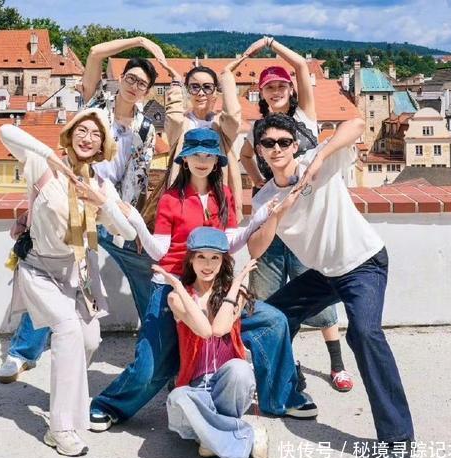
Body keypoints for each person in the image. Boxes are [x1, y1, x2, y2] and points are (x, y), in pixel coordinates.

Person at [89, 127, 316, 432]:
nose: (202, 160)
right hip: (173, 289)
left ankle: (281, 398)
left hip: (215, 288)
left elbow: (230, 244)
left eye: (209, 155)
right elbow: (158, 250)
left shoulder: (225, 197)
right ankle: (108, 405)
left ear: (216, 161)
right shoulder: (171, 199)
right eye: (195, 154)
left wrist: (261, 218)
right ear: (184, 159)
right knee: (151, 366)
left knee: (272, 322)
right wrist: (137, 222)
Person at [248, 113, 414, 458]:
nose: (277, 149)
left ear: (295, 145)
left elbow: (356, 123)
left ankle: (398, 441)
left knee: (365, 334)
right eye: (268, 143)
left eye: (284, 142)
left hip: (363, 263)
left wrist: (320, 157)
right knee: (269, 317)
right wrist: (278, 213)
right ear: (259, 150)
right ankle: (284, 391)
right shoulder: (265, 199)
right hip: (325, 273)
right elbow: (255, 248)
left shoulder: (316, 162)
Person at [0, 38, 165, 383]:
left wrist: (127, 216)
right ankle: (23, 353)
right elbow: (94, 53)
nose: (134, 86)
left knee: (146, 273)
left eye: (142, 84)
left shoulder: (146, 128)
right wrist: (140, 41)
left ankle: (156, 347)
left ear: (148, 91)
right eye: (130, 78)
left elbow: (138, 175)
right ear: (121, 79)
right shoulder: (96, 102)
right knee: (57, 275)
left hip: (106, 204)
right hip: (72, 201)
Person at [0, 108, 138, 456]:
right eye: (82, 130)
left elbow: (128, 232)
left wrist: (102, 203)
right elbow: (5, 131)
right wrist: (50, 156)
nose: (88, 138)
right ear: (71, 134)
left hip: (79, 273)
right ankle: (60, 427)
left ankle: (70, 402)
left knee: (89, 340)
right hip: (39, 269)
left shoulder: (99, 185)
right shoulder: (41, 166)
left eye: (96, 134)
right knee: (68, 330)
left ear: (103, 146)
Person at [240, 37, 351, 392]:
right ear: (261, 93)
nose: (275, 91)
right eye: (269, 87)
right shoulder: (258, 130)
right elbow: (244, 156)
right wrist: (259, 183)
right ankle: (283, 363)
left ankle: (337, 364)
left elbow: (302, 66)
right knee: (268, 298)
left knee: (317, 295)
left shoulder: (304, 117)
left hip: (308, 223)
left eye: (280, 86)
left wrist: (271, 44)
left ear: (290, 89)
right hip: (275, 221)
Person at [158, 227, 268, 458]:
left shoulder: (237, 294)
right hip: (196, 389)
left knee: (240, 369)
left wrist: (236, 284)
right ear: (191, 259)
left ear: (223, 261)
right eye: (201, 257)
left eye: (215, 258)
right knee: (178, 397)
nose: (207, 265)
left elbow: (218, 329)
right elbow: (204, 330)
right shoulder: (177, 297)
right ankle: (244, 434)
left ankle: (211, 437)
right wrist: (180, 288)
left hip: (228, 387)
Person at [142, 58, 245, 225]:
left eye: (207, 87)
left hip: (219, 197)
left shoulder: (221, 125)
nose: (201, 93)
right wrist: (176, 83)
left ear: (215, 91)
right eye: (195, 87)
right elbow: (174, 117)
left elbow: (233, 115)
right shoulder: (182, 125)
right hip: (184, 198)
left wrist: (226, 76)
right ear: (188, 90)